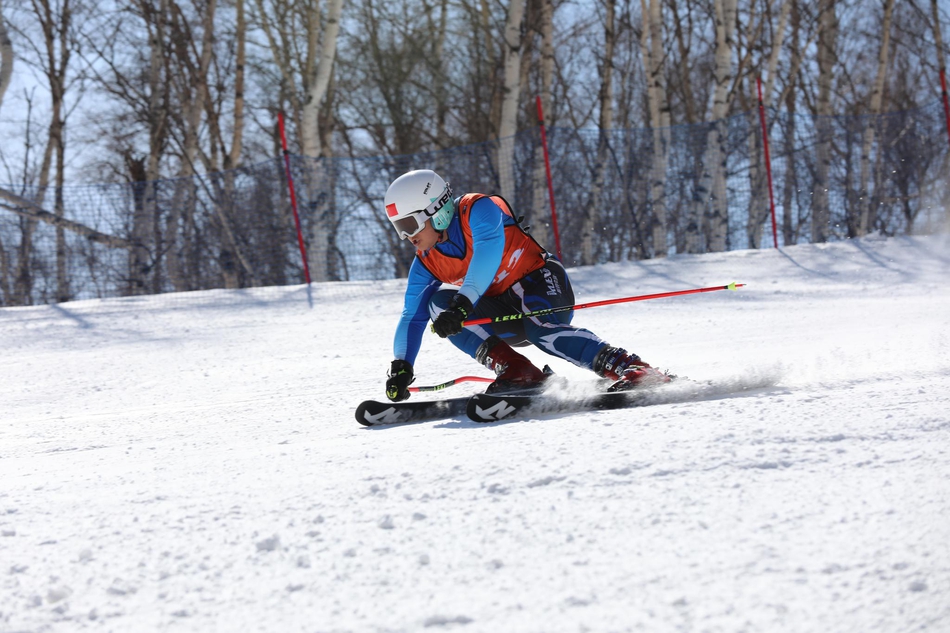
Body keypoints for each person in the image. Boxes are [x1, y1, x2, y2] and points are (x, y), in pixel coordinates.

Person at [383, 169, 670, 402]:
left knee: (539, 329)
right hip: (501, 310)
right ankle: (519, 371)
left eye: (410, 224)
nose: (406, 236)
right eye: (399, 228)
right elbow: (412, 315)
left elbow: (487, 255)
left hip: (540, 282)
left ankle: (631, 368)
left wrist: (462, 305)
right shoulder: (426, 262)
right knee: (436, 304)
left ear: (437, 210)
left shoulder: (477, 209)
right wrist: (401, 366)